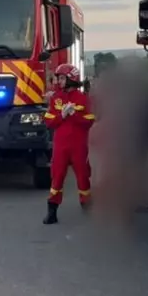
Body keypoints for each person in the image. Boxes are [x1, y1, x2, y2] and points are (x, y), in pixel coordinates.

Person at [42, 63, 95, 224]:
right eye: (58, 78)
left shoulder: (83, 99)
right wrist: (62, 115)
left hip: (79, 146)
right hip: (61, 146)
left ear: (72, 79)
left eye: (62, 78)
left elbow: (90, 120)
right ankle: (52, 210)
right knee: (57, 177)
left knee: (83, 176)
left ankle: (86, 204)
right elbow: (48, 121)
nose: (59, 81)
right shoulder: (56, 98)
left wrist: (74, 115)